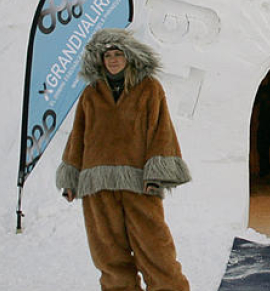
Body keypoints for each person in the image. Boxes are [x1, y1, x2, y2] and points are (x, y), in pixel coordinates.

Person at [56, 28, 191, 291]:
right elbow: (78, 136)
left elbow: (161, 130)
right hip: (98, 184)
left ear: (129, 57)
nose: (114, 60)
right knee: (108, 253)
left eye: (119, 54)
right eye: (108, 56)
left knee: (154, 248)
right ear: (100, 60)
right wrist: (71, 179)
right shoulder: (90, 93)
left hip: (139, 182)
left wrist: (156, 176)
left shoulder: (149, 88)